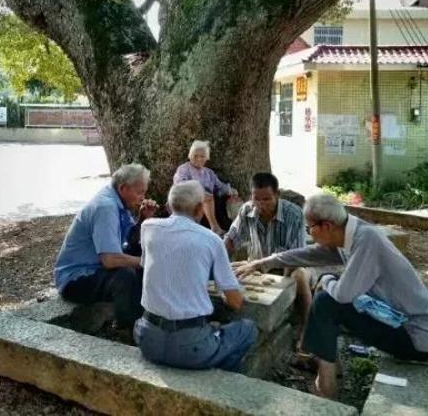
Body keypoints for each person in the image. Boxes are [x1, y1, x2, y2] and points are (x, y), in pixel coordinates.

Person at [235, 193, 428, 398]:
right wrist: (263, 263)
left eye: (310, 228)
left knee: (327, 300)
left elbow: (343, 295)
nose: (309, 233)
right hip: (399, 323)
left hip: (415, 337)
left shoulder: (367, 239)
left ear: (326, 226)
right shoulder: (349, 233)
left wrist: (325, 277)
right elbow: (309, 254)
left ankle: (326, 385)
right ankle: (327, 365)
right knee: (327, 293)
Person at [134, 180, 258, 371]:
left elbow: (148, 266)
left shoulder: (148, 227)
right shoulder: (211, 240)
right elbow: (235, 302)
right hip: (190, 347)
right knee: (247, 329)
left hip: (147, 339)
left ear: (168, 206)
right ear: (200, 208)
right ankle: (223, 384)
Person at [54, 163, 159, 328]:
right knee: (126, 275)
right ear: (123, 188)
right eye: (140, 192)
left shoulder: (117, 201)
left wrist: (143, 219)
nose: (143, 197)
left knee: (143, 251)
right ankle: (129, 327)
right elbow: (109, 260)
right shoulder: (106, 207)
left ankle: (139, 311)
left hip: (95, 269)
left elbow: (128, 241)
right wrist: (148, 262)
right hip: (75, 280)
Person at [224, 172, 313, 337]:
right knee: (230, 269)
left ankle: (307, 331)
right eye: (256, 198)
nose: (261, 204)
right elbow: (231, 239)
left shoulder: (293, 214)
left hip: (289, 267)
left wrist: (281, 286)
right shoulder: (247, 210)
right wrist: (221, 265)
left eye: (266, 199)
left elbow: (296, 256)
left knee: (299, 276)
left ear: (277, 195)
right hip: (255, 264)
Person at [173, 140, 238, 236]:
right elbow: (180, 185)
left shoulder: (209, 173)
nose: (199, 159)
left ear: (207, 158)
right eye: (195, 156)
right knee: (206, 196)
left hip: (207, 204)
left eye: (202, 156)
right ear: (190, 156)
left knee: (214, 198)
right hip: (188, 200)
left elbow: (220, 187)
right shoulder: (183, 169)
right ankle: (215, 228)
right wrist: (198, 192)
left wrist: (231, 191)